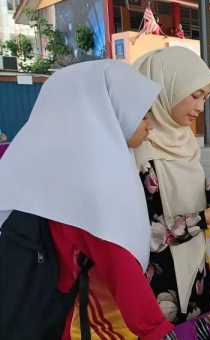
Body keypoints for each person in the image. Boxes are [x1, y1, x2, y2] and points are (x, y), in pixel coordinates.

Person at [0, 60, 177, 340]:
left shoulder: (43, 159)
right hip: (83, 322)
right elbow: (118, 264)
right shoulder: (93, 181)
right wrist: (158, 330)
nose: (150, 125)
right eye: (142, 115)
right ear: (104, 113)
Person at [133, 47, 210, 324]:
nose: (200, 107)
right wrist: (205, 218)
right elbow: (149, 233)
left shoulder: (183, 140)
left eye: (205, 98)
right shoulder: (138, 151)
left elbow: (190, 182)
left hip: (193, 265)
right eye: (195, 96)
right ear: (164, 89)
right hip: (160, 281)